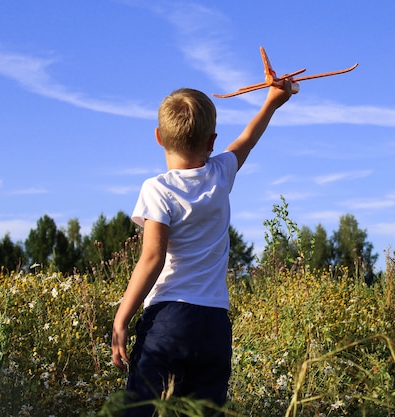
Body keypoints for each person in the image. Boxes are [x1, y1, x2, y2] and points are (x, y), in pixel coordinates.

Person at [111, 80, 294, 416]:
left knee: (144, 409)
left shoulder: (157, 189)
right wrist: (272, 101)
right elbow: (247, 140)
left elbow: (153, 257)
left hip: (169, 319)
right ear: (212, 142)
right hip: (214, 326)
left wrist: (122, 316)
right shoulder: (220, 174)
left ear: (158, 137)